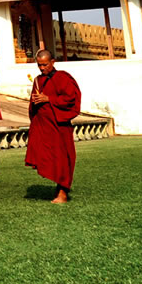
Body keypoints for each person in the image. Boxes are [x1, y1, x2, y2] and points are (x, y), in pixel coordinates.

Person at [24, 48, 81, 203]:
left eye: (45, 65)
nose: (42, 68)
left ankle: (62, 191)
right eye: (39, 65)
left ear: (52, 62)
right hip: (43, 126)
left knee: (62, 157)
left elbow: (71, 99)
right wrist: (36, 104)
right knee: (48, 157)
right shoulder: (38, 80)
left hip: (59, 125)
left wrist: (49, 99)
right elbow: (33, 103)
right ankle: (58, 188)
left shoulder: (63, 77)